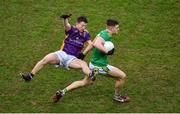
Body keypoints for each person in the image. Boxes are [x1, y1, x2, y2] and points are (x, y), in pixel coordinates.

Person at [52, 19, 130, 103]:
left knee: (85, 82)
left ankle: (62, 92)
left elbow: (92, 43)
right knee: (122, 76)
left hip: (93, 65)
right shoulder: (106, 36)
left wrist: (84, 54)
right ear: (111, 27)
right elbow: (96, 44)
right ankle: (117, 96)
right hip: (101, 66)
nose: (118, 29)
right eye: (117, 27)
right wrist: (107, 51)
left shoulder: (102, 32)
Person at [20, 14, 95, 84]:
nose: (84, 28)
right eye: (82, 25)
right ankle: (30, 75)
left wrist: (83, 53)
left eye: (85, 26)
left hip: (72, 59)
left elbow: (91, 44)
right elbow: (66, 25)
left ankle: (91, 74)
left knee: (83, 64)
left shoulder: (85, 34)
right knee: (46, 59)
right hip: (61, 54)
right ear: (77, 24)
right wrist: (65, 19)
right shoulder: (72, 29)